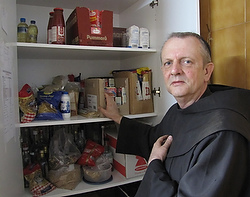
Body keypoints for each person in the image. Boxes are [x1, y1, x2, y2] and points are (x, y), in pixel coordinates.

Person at [99, 32, 250, 197]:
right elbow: (154, 138)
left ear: (207, 71)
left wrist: (154, 165)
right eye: (168, 63)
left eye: (186, 62)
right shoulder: (180, 109)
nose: (175, 70)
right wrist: (117, 117)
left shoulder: (223, 134)